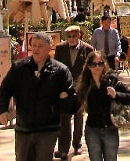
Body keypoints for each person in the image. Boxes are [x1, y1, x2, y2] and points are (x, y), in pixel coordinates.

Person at [0, 32, 77, 161]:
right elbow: (5, 89)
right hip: (24, 127)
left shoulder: (60, 71)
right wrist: (2, 110)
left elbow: (71, 99)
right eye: (33, 45)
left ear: (49, 47)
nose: (36, 49)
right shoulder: (19, 68)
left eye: (40, 46)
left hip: (48, 129)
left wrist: (57, 108)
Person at [77, 50, 130, 161]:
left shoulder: (112, 81)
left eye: (100, 63)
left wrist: (116, 95)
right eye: (94, 64)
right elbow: (74, 105)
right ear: (89, 66)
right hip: (92, 130)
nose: (97, 67)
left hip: (110, 128)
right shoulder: (85, 85)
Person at [54, 25, 95, 160]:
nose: (71, 39)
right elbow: (56, 67)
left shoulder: (88, 49)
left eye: (74, 36)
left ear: (79, 36)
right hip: (65, 89)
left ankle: (77, 143)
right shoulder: (60, 48)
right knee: (64, 118)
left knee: (79, 117)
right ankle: (63, 149)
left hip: (81, 88)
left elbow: (91, 69)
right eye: (69, 36)